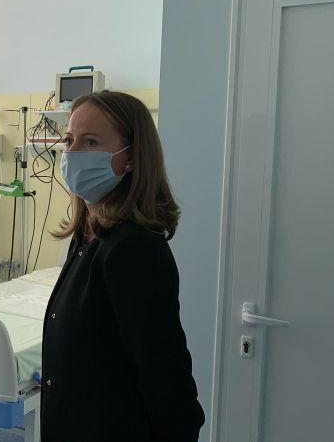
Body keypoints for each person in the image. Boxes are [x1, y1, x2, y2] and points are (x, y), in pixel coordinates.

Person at [41, 91, 204, 441]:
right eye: (69, 140)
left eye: (91, 142)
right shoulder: (89, 234)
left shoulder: (134, 248)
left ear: (130, 158)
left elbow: (163, 371)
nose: (72, 153)